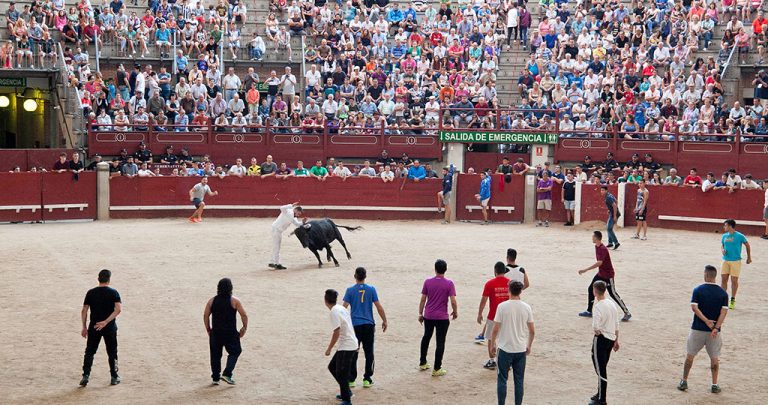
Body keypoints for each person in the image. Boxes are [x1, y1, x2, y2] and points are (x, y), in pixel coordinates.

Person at [677, 265, 729, 394]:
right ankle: (714, 384)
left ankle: (684, 381)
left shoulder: (698, 290)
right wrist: (716, 327)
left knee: (690, 356)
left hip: (697, 329)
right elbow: (723, 313)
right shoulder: (723, 293)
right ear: (715, 276)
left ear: (705, 275)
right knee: (714, 358)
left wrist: (706, 321)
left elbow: (694, 308)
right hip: (714, 333)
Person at [490, 281, 535, 405]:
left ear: (508, 290)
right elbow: (532, 331)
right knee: (519, 380)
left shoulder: (502, 306)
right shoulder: (526, 307)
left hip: (505, 348)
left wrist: (493, 344)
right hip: (520, 349)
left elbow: (495, 329)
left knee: (502, 379)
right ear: (520, 291)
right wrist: (529, 345)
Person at [343, 267, 388, 388]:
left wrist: (343, 324)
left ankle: (351, 379)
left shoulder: (350, 290)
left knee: (353, 352)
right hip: (368, 325)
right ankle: (367, 379)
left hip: (355, 326)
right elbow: (378, 306)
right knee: (369, 352)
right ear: (365, 276)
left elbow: (344, 308)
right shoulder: (371, 289)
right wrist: (384, 320)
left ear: (355, 276)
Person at [79, 269, 122, 387]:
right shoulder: (114, 293)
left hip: (94, 327)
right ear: (109, 280)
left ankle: (86, 375)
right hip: (110, 327)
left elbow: (84, 310)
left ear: (98, 279)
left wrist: (84, 327)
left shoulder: (91, 292)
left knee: (89, 351)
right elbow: (118, 309)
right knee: (112, 352)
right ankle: (114, 376)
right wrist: (106, 321)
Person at [578, 231, 632, 322]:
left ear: (596, 238)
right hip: (601, 273)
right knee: (591, 288)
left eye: (593, 236)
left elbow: (600, 262)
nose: (592, 238)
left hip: (608, 275)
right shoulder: (597, 246)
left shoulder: (602, 249)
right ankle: (589, 311)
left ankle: (627, 312)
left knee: (613, 293)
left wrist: (586, 269)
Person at [203, 278, 248, 385]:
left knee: (215, 355)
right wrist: (244, 328)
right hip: (230, 332)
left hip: (216, 332)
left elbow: (205, 315)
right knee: (235, 351)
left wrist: (208, 329)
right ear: (230, 288)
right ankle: (227, 373)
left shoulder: (211, 301)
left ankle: (215, 378)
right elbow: (244, 315)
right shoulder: (235, 301)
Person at [418, 259, 457, 377]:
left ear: (435, 269)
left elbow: (423, 299)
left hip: (429, 315)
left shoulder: (428, 282)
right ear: (445, 270)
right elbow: (453, 301)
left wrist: (420, 313)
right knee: (440, 341)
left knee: (426, 337)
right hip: (442, 317)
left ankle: (423, 362)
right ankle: (437, 368)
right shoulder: (449, 283)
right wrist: (455, 311)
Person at [589, 280, 620, 405]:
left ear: (594, 291)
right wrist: (616, 340)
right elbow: (616, 324)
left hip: (601, 339)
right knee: (602, 366)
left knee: (600, 369)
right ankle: (600, 393)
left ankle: (602, 399)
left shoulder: (598, 306)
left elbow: (595, 327)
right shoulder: (611, 303)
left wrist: (598, 333)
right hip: (611, 339)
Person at [324, 289, 358, 405]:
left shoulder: (334, 311)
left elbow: (336, 332)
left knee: (341, 373)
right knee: (333, 367)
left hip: (347, 345)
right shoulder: (341, 308)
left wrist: (329, 348)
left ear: (325, 300)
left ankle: (347, 400)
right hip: (349, 343)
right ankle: (346, 392)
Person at [477, 262, 511, 369]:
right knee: (505, 339)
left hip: (493, 316)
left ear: (495, 271)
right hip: (507, 316)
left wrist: (480, 314)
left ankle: (492, 361)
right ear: (504, 271)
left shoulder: (490, 283)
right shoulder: (510, 283)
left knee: (491, 338)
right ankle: (507, 362)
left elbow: (483, 300)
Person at [720, 219, 752, 309]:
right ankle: (723, 299)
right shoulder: (724, 236)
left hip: (736, 261)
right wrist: (722, 250)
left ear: (730, 226)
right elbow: (722, 245)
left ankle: (732, 299)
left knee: (734, 281)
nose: (724, 227)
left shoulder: (740, 236)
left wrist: (749, 257)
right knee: (723, 279)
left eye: (725, 225)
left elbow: (747, 245)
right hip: (725, 260)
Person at [269, 202, 305, 270]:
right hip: (276, 229)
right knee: (277, 246)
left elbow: (297, 224)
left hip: (278, 230)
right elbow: (281, 208)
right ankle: (276, 263)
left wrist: (302, 222)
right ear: (296, 210)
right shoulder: (288, 211)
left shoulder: (293, 217)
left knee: (276, 246)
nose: (298, 215)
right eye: (298, 213)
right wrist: (291, 205)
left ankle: (273, 262)